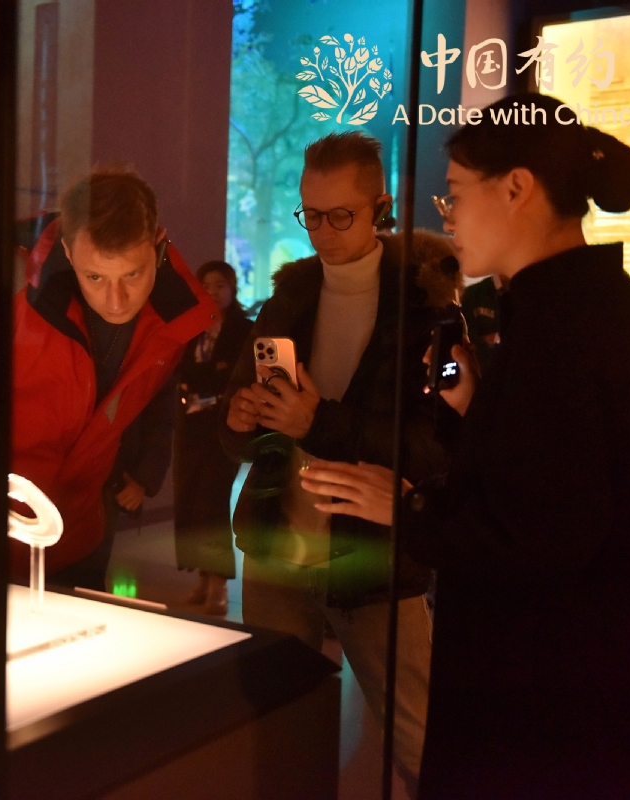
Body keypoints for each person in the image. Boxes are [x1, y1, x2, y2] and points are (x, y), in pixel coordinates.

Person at [299, 93, 630, 799]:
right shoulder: (586, 311)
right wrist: (475, 412)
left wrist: (405, 505)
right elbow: (551, 478)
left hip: (549, 699)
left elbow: (540, 535)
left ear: (516, 188)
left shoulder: (567, 330)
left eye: (456, 193)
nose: (448, 217)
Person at [219, 131, 457, 796]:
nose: (321, 232)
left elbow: (437, 450)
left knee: (420, 736)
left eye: (340, 215)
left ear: (380, 208)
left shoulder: (426, 308)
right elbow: (240, 430)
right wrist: (239, 421)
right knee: (279, 733)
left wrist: (318, 423)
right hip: (278, 548)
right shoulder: (289, 299)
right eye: (310, 214)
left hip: (376, 559)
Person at [0, 168, 218, 590]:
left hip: (76, 536)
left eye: (133, 275)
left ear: (158, 248)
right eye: (95, 277)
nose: (116, 300)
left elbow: (145, 409)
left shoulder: (171, 317)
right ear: (67, 250)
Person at [174, 261, 252, 616]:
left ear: (233, 288)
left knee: (213, 502)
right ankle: (203, 576)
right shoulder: (192, 326)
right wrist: (207, 375)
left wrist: (207, 377)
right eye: (206, 285)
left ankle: (219, 582)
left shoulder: (243, 330)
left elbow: (235, 376)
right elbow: (182, 372)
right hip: (189, 427)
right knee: (190, 501)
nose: (213, 292)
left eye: (220, 285)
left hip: (222, 429)